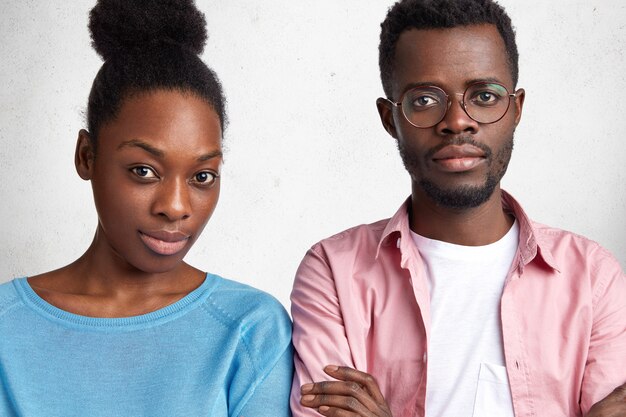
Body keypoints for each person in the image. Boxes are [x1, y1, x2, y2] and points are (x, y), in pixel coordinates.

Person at [290, 1, 625, 416]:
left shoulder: (592, 277)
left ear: (516, 109)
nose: (457, 121)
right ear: (389, 118)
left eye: (484, 96)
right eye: (425, 100)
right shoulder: (333, 272)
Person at [0, 1, 292, 416]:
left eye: (202, 176)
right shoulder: (5, 328)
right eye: (144, 171)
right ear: (87, 156)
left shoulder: (250, 330)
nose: (175, 207)